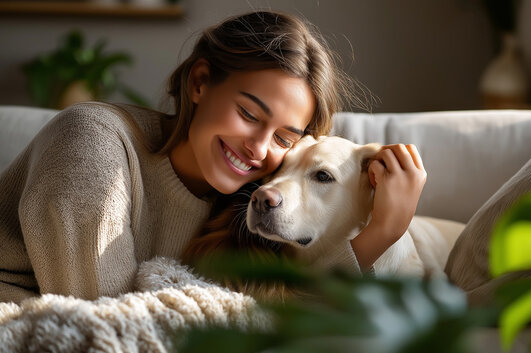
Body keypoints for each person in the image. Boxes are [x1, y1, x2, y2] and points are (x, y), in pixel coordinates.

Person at [0, 10, 426, 303]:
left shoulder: (250, 203)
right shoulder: (92, 144)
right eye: (247, 114)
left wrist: (383, 230)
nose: (258, 149)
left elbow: (281, 323)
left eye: (283, 137)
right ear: (200, 82)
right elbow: (109, 322)